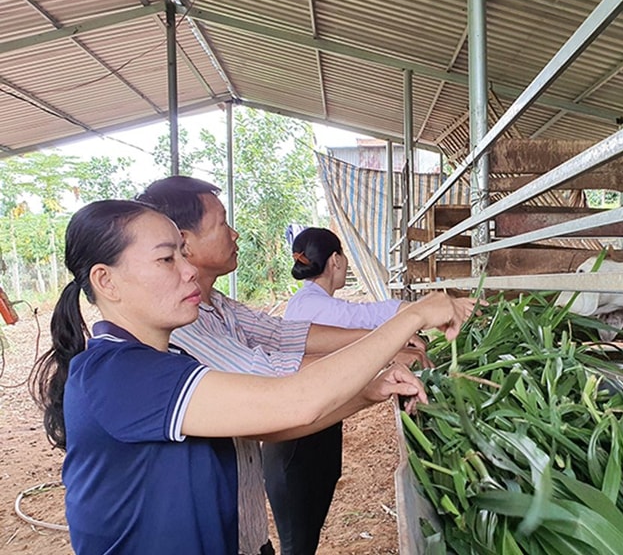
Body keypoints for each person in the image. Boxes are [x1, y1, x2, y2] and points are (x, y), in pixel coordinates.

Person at [29, 200, 472, 554]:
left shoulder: (169, 359)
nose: (188, 270)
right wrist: (410, 316)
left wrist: (369, 391)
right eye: (167, 259)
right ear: (106, 281)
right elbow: (293, 400)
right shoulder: (121, 374)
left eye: (183, 253)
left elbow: (272, 425)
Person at [134, 176, 427, 555]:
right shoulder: (178, 331)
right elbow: (276, 379)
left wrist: (381, 360)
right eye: (223, 223)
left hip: (246, 524)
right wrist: (393, 338)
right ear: (184, 243)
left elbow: (284, 335)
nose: (235, 233)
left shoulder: (219, 307)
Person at [264, 227, 423, 554]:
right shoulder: (313, 306)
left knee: (306, 533)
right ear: (335, 260)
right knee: (298, 541)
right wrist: (418, 311)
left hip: (317, 427)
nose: (347, 264)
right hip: (298, 441)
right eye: (344, 256)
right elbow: (365, 318)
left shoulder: (313, 301)